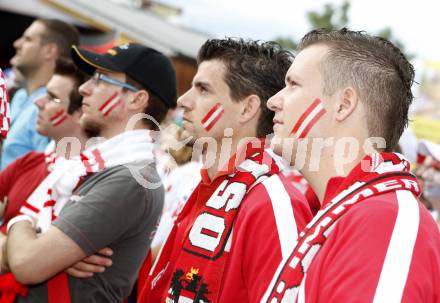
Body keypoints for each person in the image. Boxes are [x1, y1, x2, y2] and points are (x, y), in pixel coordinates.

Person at [263, 28, 440, 302]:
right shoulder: (342, 210)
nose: (273, 101)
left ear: (343, 105)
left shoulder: (383, 220)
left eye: (293, 84)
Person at [0, 43, 176, 303]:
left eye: (100, 80)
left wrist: (17, 221)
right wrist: (39, 241)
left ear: (136, 99)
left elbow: (28, 263)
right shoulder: (86, 165)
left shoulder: (132, 180)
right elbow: (28, 256)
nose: (84, 88)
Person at [141, 38, 313, 303]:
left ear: (247, 108)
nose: (183, 100)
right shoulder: (210, 184)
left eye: (203, 89)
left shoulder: (272, 201)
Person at [0, 58, 88, 248]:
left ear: (82, 113)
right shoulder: (28, 162)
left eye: (52, 98)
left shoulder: (86, 183)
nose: (39, 102)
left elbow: (34, 258)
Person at [1, 18, 79, 170]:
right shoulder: (21, 96)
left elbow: (42, 172)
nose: (17, 44)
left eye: (28, 39)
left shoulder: (52, 107)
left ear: (49, 50)